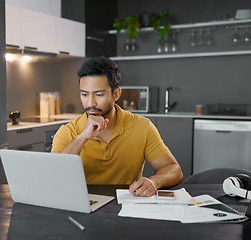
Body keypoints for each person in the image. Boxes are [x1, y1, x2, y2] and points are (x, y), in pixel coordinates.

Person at [51, 56, 183, 197]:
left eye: (99, 94)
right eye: (84, 94)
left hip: (126, 203)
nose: (90, 103)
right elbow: (54, 175)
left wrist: (155, 181)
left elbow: (173, 169)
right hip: (82, 202)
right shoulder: (67, 131)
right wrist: (82, 137)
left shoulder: (142, 127)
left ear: (116, 94)